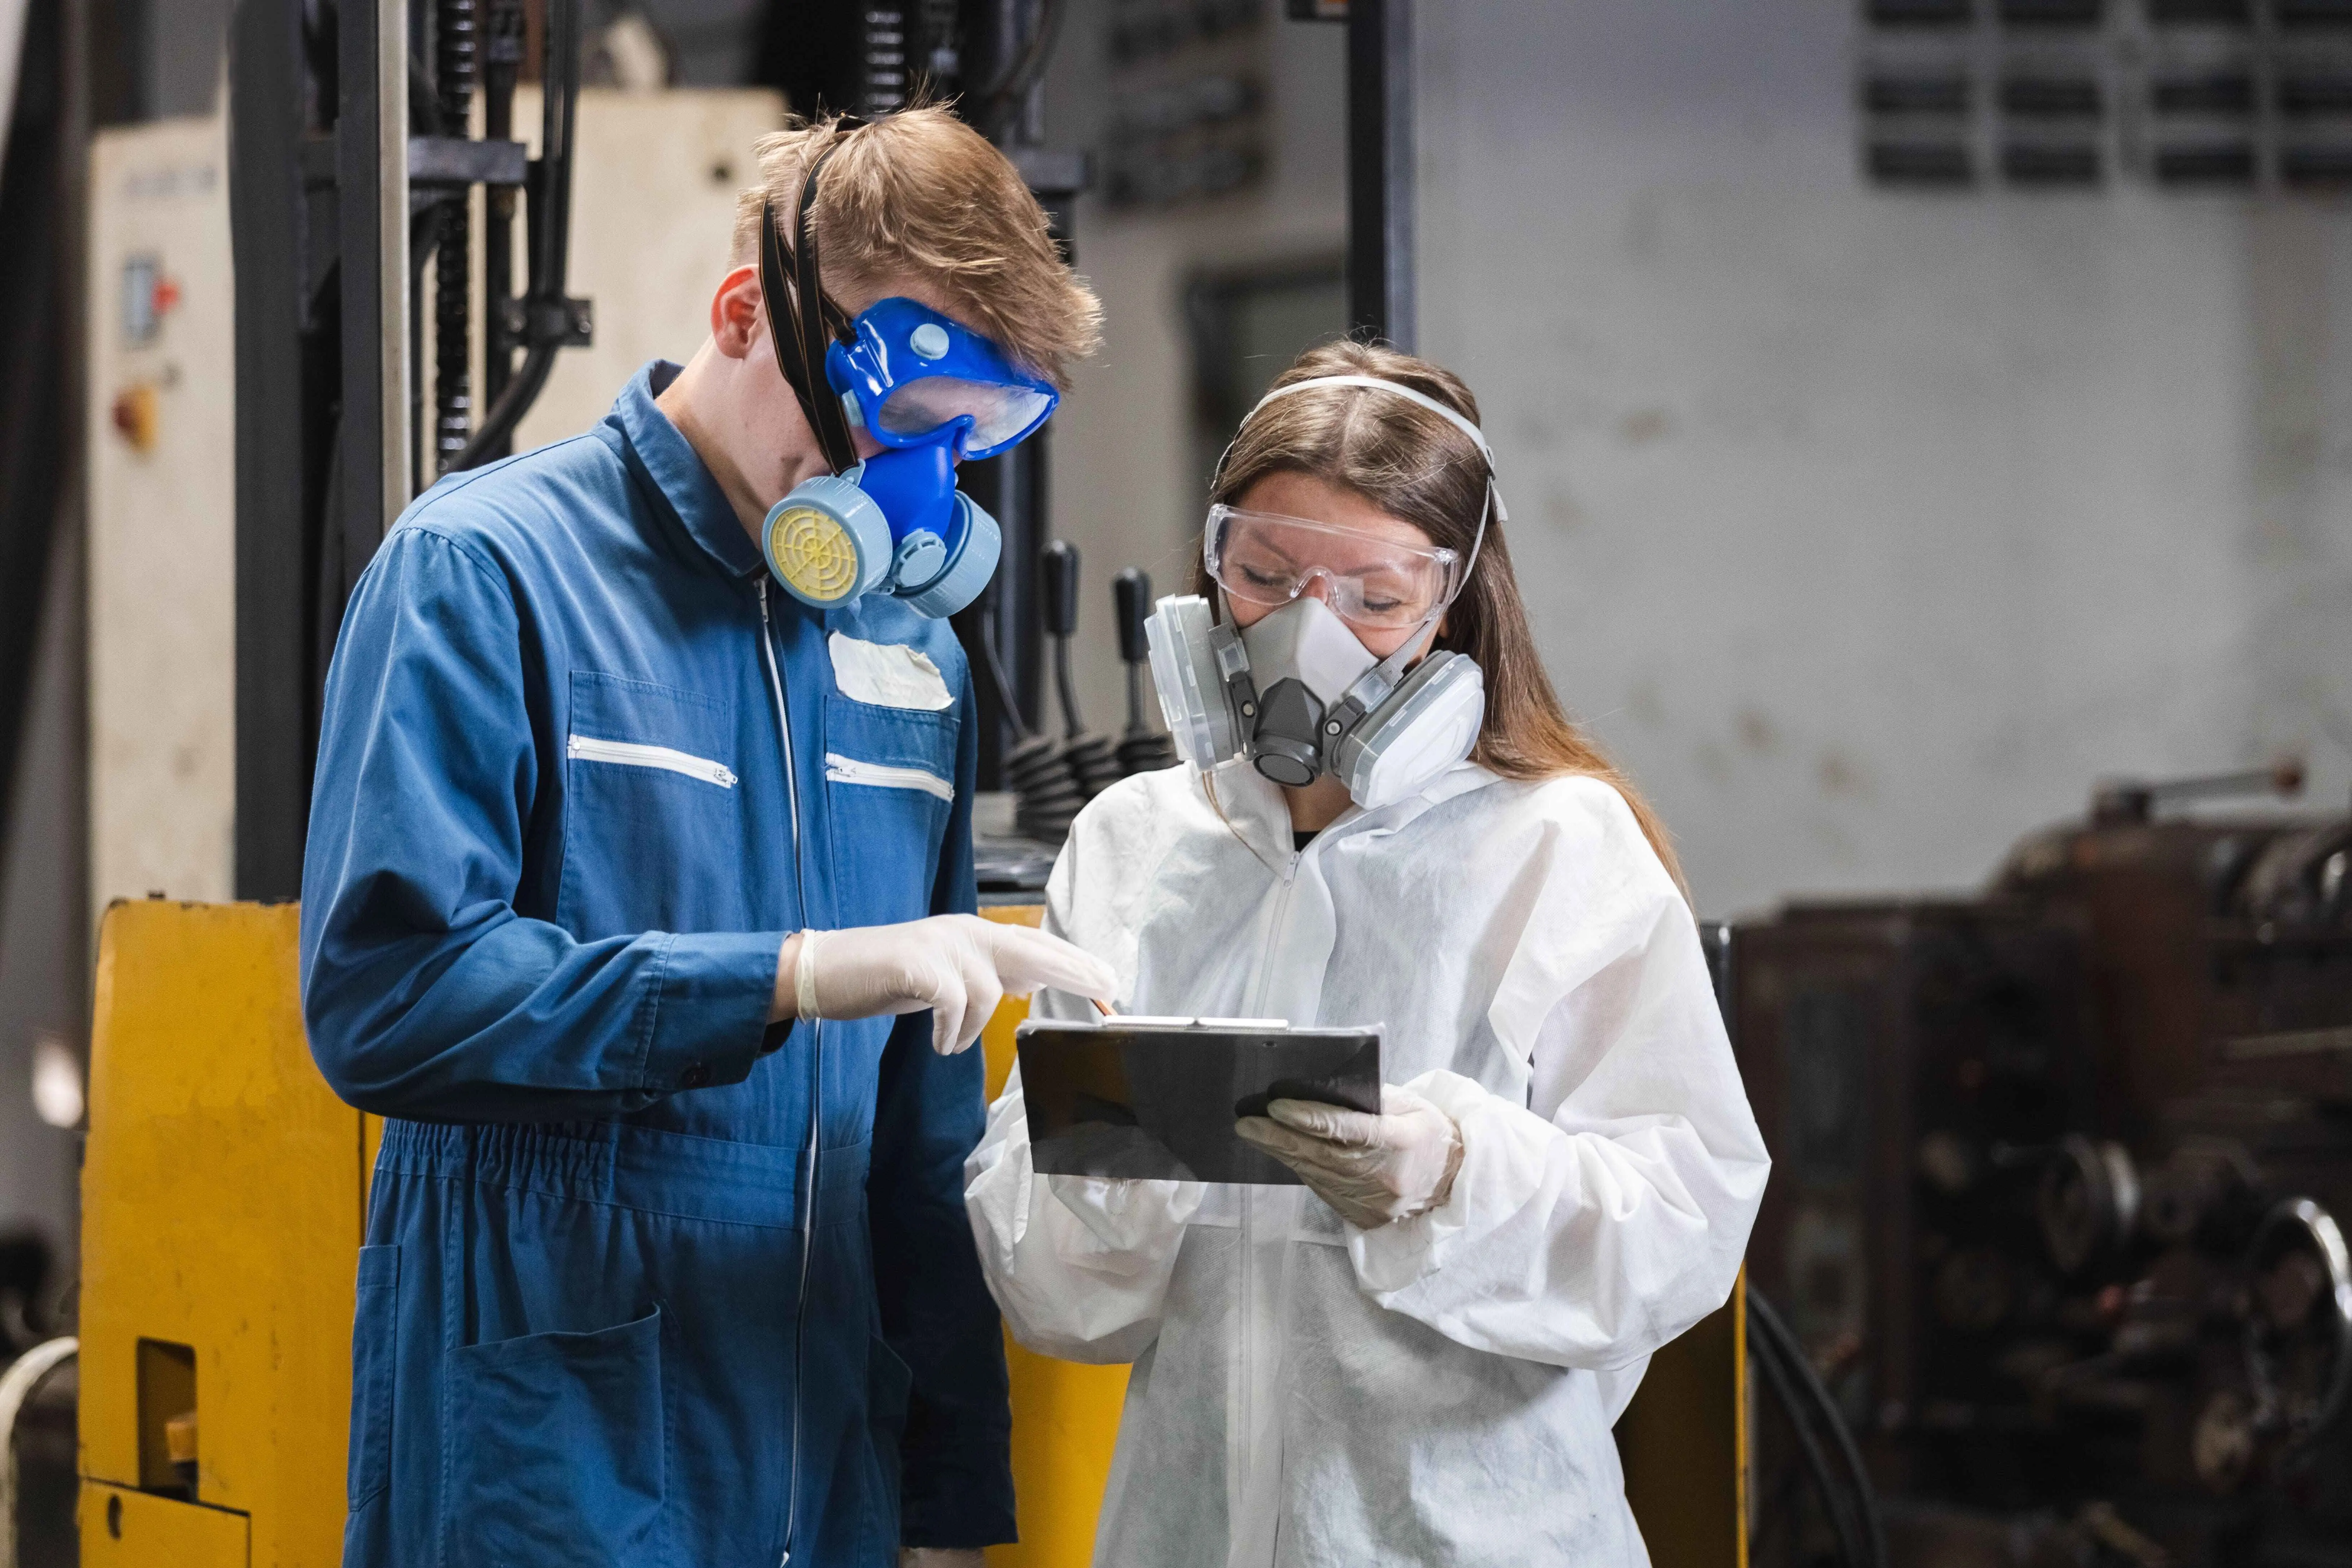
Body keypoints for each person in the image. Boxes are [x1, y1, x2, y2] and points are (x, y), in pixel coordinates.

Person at [300, 108, 1115, 1568]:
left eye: (956, 447)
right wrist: (788, 975)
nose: (909, 489)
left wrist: (947, 1504)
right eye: (887, 426)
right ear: (747, 315)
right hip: (548, 1459)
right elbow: (389, 1004)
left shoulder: (908, 666)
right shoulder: (487, 573)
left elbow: (919, 1148)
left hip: (820, 1463)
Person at [964, 341, 1772, 1565]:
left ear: (1453, 603)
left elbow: (1682, 1225)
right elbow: (1058, 1300)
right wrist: (1119, 1165)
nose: (1309, 636)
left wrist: (1451, 1175)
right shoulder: (1133, 844)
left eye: (1375, 599)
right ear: (1209, 567)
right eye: (1264, 576)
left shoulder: (1553, 843)